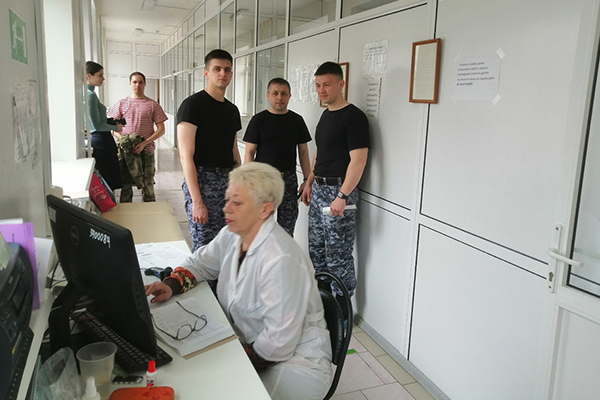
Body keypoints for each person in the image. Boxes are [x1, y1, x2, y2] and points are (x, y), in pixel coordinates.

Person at [145, 162, 333, 400]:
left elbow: (278, 342)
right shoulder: (233, 235)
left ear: (264, 210)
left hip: (295, 365)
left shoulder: (281, 259)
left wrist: (232, 364)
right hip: (252, 347)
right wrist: (170, 285)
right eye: (227, 200)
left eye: (237, 203)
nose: (226, 209)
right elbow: (200, 264)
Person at [301, 61, 370, 306]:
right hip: (319, 189)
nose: (321, 90)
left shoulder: (354, 117)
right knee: (317, 251)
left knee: (338, 256)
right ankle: (324, 307)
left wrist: (342, 196)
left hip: (338, 192)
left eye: (327, 85)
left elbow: (359, 161)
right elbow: (320, 153)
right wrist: (309, 182)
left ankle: (341, 313)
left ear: (341, 84)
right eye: (318, 85)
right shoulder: (326, 114)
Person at [176, 49, 242, 254]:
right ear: (206, 73)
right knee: (204, 248)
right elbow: (186, 156)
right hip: (203, 183)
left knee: (229, 244)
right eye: (217, 69)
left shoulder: (232, 110)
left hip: (228, 183)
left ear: (231, 74)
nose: (223, 73)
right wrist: (197, 201)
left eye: (227, 69)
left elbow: (234, 152)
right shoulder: (192, 106)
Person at [243, 78, 311, 236]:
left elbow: (303, 152)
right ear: (268, 95)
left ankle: (281, 253)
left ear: (289, 96)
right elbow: (249, 152)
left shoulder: (297, 120)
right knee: (260, 227)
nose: (279, 97)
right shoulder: (258, 120)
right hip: (263, 181)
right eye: (275, 93)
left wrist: (307, 180)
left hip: (288, 180)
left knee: (286, 230)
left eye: (283, 93)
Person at [108, 72, 168, 202]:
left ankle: (149, 209)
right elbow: (112, 128)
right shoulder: (121, 103)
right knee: (126, 184)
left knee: (148, 182)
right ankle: (126, 210)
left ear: (144, 84)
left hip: (146, 150)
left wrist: (144, 143)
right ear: (130, 83)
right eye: (134, 82)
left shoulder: (153, 105)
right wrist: (124, 140)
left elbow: (161, 129)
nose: (137, 85)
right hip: (126, 151)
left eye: (140, 82)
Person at [86, 61, 123, 190]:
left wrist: (110, 121)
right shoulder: (90, 95)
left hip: (100, 138)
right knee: (107, 175)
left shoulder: (90, 93)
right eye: (100, 75)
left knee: (108, 174)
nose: (103, 78)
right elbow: (96, 125)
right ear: (88, 76)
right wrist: (116, 128)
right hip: (100, 139)